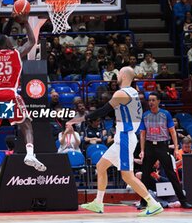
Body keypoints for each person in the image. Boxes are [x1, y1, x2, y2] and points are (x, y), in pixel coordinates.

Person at [69, 67, 164, 217]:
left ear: (124, 75)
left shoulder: (121, 93)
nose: (117, 75)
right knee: (101, 166)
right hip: (123, 136)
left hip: (125, 137)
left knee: (127, 176)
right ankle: (98, 202)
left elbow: (103, 111)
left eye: (119, 72)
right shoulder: (133, 91)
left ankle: (153, 203)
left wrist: (80, 119)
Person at [0, 15, 46, 188]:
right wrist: (25, 21)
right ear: (6, 44)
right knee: (26, 125)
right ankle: (29, 154)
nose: (13, 40)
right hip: (10, 94)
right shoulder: (17, 53)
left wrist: (11, 23)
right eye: (10, 39)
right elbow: (32, 40)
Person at [139, 92, 192, 209]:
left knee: (171, 174)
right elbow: (142, 134)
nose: (151, 103)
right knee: (145, 175)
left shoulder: (165, 114)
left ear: (158, 101)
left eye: (153, 100)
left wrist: (176, 147)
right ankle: (143, 202)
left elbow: (172, 131)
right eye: (149, 100)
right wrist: (142, 150)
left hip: (162, 146)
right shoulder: (145, 115)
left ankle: (183, 201)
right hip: (149, 146)